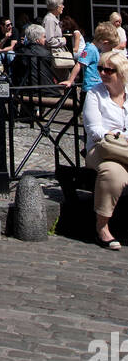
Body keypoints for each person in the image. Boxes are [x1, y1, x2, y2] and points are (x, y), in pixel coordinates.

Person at [82, 49, 128, 249]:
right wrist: (116, 137)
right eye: (100, 69)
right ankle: (102, 227)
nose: (102, 73)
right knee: (112, 173)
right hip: (102, 150)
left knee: (116, 170)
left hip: (123, 150)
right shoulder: (95, 94)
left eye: (108, 70)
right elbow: (95, 130)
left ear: (121, 72)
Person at [60, 21, 119, 95]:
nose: (111, 50)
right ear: (105, 43)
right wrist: (70, 81)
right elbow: (79, 64)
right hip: (90, 89)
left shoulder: (98, 50)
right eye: (110, 47)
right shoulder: (90, 49)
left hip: (98, 88)